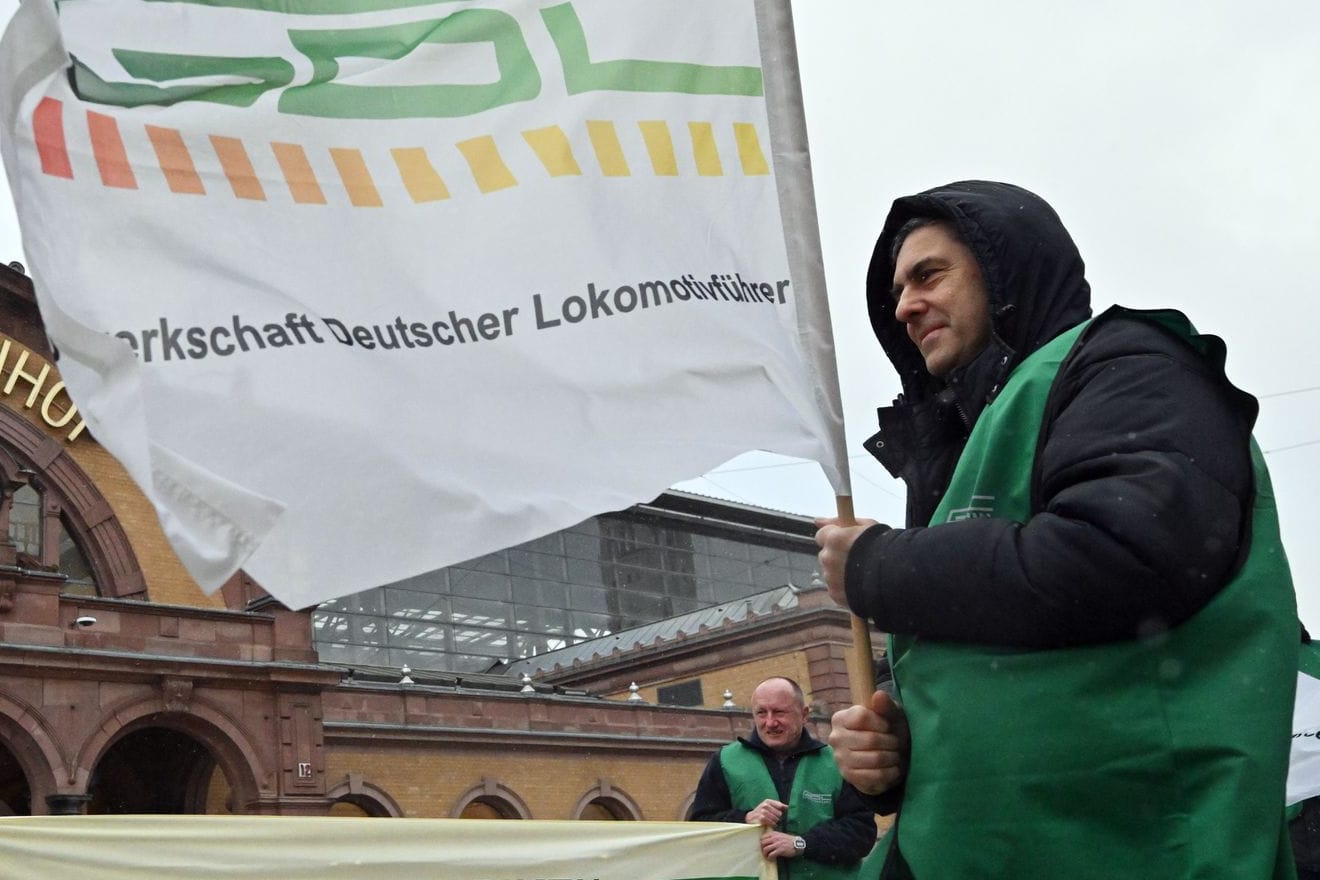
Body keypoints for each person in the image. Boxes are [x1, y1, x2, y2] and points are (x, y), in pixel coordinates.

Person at [814, 180, 1299, 879]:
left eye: (929, 274)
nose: (905, 306)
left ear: (1004, 267)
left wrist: (878, 566)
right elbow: (1007, 673)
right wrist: (893, 755)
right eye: (897, 291)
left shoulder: (1127, 363)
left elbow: (1120, 555)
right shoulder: (973, 441)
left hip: (1135, 851)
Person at [689, 676, 876, 880]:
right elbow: (701, 829)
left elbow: (861, 833)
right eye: (761, 713)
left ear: (804, 714)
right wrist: (745, 819)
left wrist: (801, 843)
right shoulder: (725, 761)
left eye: (779, 712)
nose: (770, 722)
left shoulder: (836, 761)